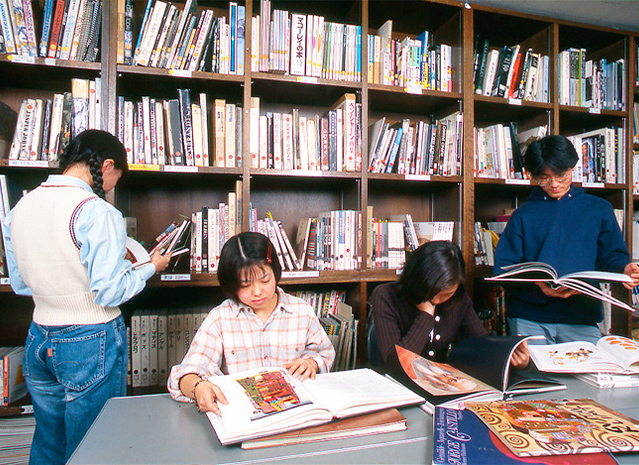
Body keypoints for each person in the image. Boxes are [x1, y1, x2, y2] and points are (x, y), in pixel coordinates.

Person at [1, 130, 172, 465]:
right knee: (93, 447)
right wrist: (149, 268)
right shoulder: (96, 211)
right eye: (115, 178)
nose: (110, 186)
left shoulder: (21, 207)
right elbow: (110, 291)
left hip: (39, 336)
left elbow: (21, 284)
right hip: (89, 338)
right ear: (107, 165)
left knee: (49, 441)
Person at [167, 231, 335, 415]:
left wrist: (311, 363)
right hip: (243, 414)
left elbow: (324, 354)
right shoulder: (220, 318)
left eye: (265, 280)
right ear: (231, 284)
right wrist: (198, 387)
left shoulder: (302, 311)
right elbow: (185, 374)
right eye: (245, 285)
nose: (257, 292)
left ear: (276, 272)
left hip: (295, 412)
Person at [494, 134, 639, 345]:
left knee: (588, 367)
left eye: (562, 176)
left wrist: (625, 269)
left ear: (573, 168)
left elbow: (611, 255)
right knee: (533, 367)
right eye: (544, 178)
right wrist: (539, 285)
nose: (554, 184)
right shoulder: (522, 215)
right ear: (532, 175)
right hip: (529, 317)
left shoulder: (598, 209)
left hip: (581, 315)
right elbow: (503, 268)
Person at [371, 240, 530, 374]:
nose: (436, 300)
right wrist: (426, 315)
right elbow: (395, 366)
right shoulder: (386, 296)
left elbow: (482, 346)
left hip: (442, 384)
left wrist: (513, 358)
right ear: (416, 279)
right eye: (432, 292)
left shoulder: (459, 300)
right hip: (399, 387)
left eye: (447, 294)